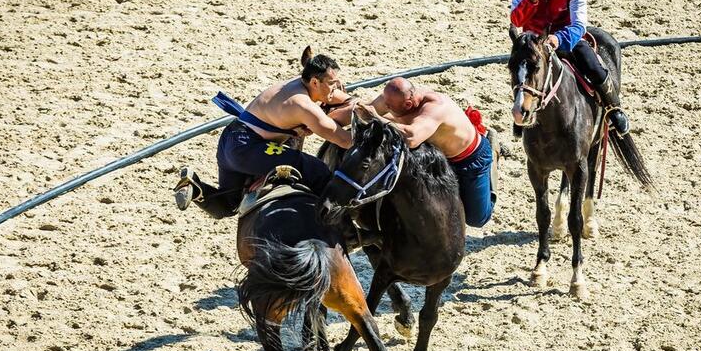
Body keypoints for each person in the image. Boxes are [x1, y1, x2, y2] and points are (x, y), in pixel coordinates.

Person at [173, 53, 354, 219]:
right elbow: (344, 140)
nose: (336, 88)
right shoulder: (304, 105)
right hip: (249, 148)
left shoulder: (295, 84)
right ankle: (337, 224)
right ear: (315, 82)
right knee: (317, 169)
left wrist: (265, 167)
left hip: (230, 140)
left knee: (229, 204)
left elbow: (344, 100)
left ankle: (195, 188)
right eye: (332, 83)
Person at [509, 0, 630, 135]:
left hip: (565, 39)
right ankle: (520, 109)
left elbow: (579, 25)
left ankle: (614, 108)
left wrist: (559, 38)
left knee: (593, 66)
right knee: (519, 70)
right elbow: (516, 20)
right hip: (533, 43)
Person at [361, 77, 500, 228]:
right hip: (436, 155)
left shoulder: (435, 106)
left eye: (389, 107)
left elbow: (411, 137)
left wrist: (376, 117)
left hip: (470, 158)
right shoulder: (392, 98)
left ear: (408, 104)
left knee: (477, 219)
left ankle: (492, 154)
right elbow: (360, 109)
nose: (386, 107)